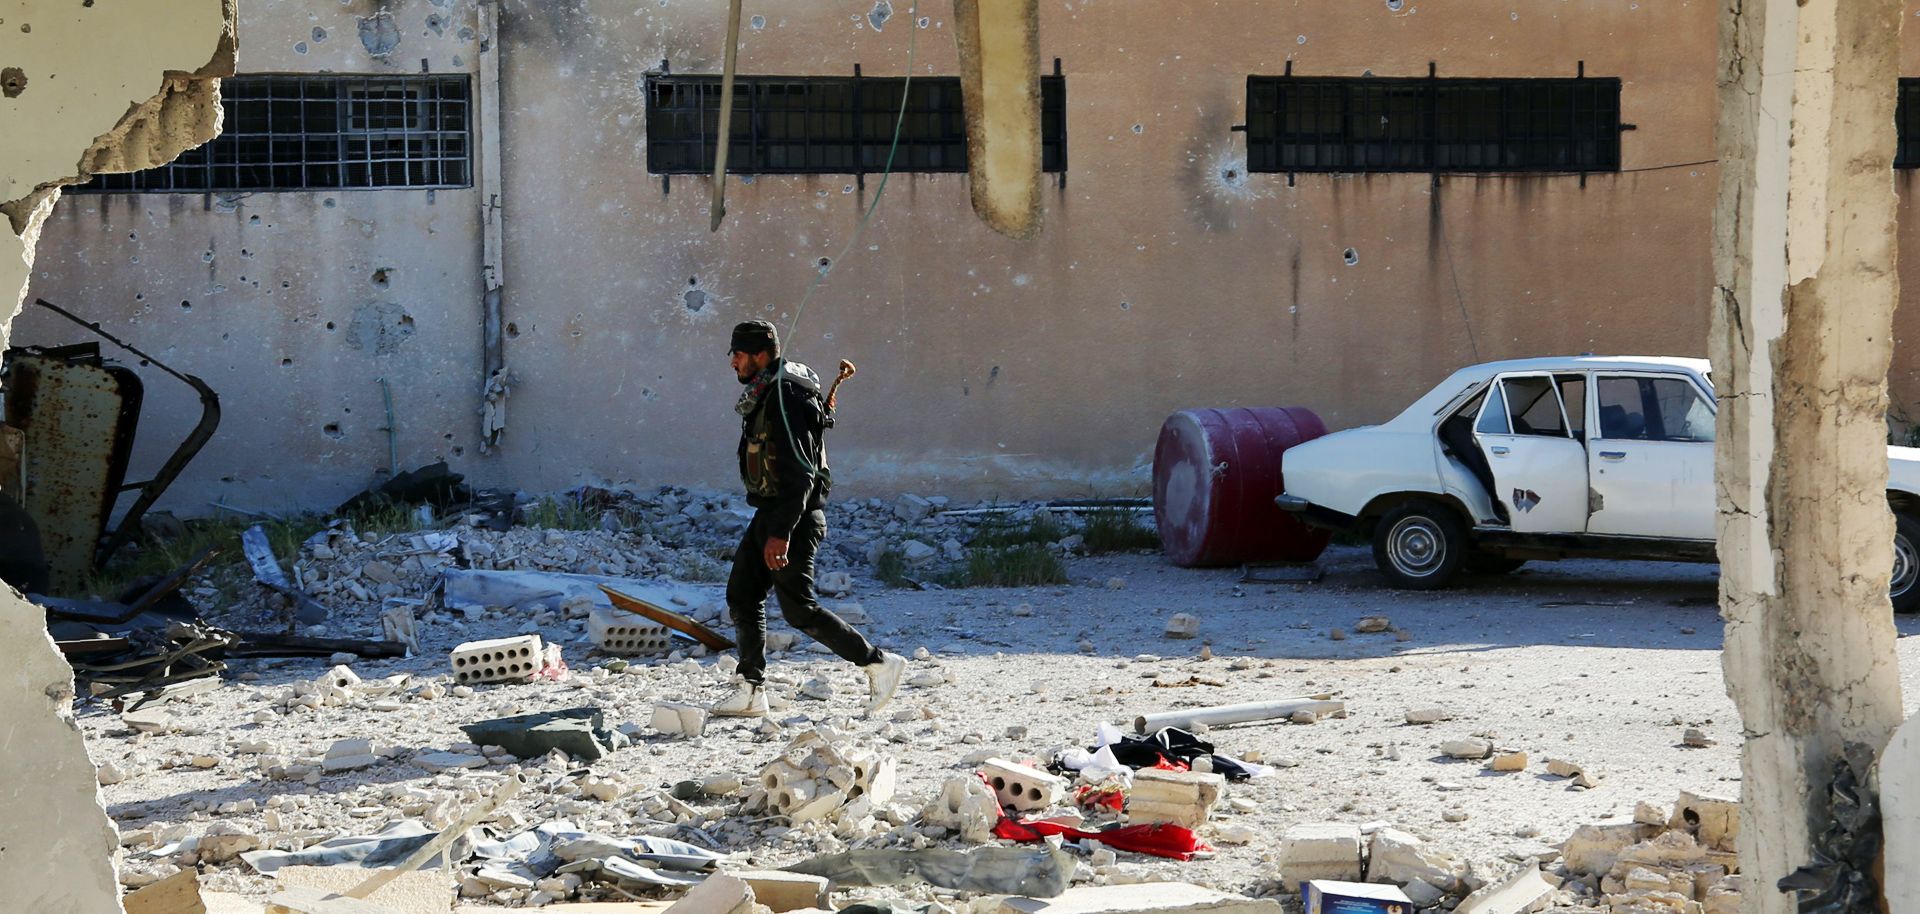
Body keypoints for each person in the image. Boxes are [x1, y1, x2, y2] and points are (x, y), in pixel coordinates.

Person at [712, 320, 906, 717]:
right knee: (742, 595)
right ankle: (750, 689)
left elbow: (801, 474)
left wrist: (780, 534)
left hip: (793, 518)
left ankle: (879, 663)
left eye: (738, 353)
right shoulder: (769, 393)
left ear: (761, 355)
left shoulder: (784, 399)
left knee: (799, 608)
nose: (732, 362)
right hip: (771, 513)